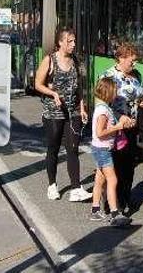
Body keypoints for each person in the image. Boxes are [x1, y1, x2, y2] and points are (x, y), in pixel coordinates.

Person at [34, 27, 92, 202]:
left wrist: (82, 108)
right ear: (60, 42)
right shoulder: (49, 60)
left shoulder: (76, 61)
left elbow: (80, 87)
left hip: (72, 111)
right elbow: (37, 84)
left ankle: (76, 188)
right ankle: (52, 185)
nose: (73, 44)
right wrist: (53, 94)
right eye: (70, 41)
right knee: (53, 149)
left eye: (74, 41)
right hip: (53, 113)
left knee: (73, 148)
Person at [99, 42, 143, 214]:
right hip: (116, 128)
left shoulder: (135, 75)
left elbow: (140, 94)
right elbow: (103, 102)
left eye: (135, 60)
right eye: (131, 60)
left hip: (132, 127)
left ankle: (126, 197)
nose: (134, 64)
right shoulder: (108, 76)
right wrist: (120, 117)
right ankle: (114, 203)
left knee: (129, 166)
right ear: (121, 58)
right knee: (116, 167)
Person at [89, 77, 133, 228]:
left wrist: (122, 122)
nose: (116, 93)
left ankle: (95, 210)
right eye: (115, 90)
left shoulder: (103, 107)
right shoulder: (102, 111)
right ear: (108, 92)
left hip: (99, 148)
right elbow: (100, 132)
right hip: (102, 150)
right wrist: (118, 127)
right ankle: (115, 213)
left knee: (99, 180)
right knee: (112, 180)